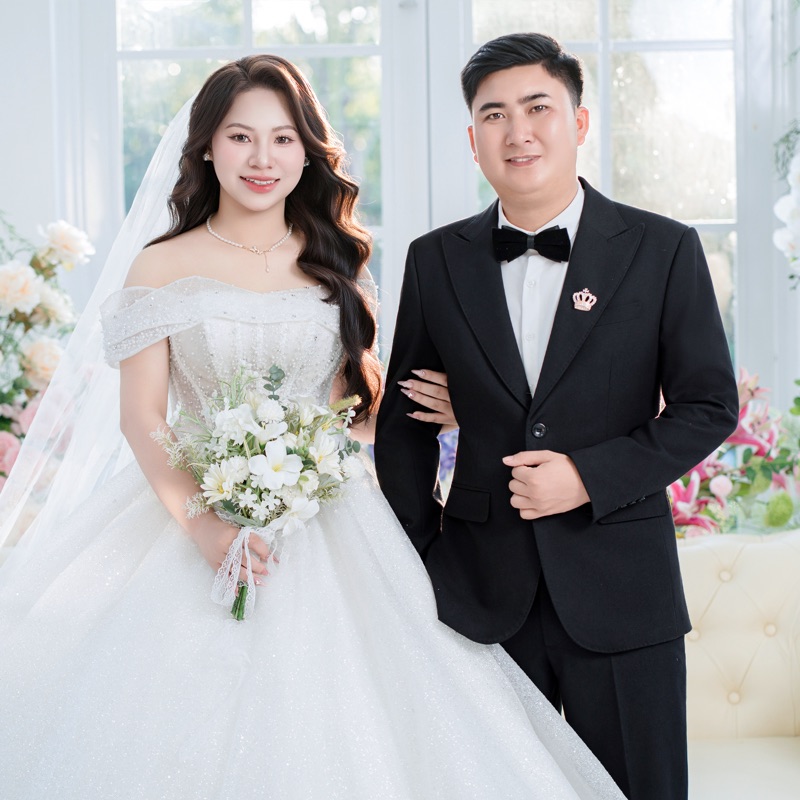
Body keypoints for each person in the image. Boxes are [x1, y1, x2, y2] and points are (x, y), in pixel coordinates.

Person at [0, 54, 626, 799]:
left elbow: (354, 414)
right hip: (195, 513)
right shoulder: (161, 265)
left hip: (335, 517)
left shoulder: (336, 260)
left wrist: (466, 410)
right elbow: (142, 419)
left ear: (307, 152)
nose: (262, 159)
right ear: (207, 147)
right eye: (240, 137)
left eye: (283, 139)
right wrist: (207, 528)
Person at [375, 32, 739, 800]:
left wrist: (586, 476)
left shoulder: (664, 249)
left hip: (623, 591)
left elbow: (708, 406)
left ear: (578, 122)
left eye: (537, 107)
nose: (518, 131)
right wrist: (422, 564)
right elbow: (405, 429)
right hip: (476, 597)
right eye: (494, 115)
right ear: (472, 140)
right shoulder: (435, 260)